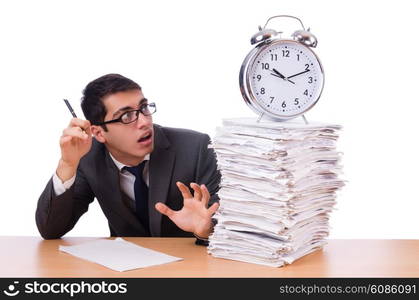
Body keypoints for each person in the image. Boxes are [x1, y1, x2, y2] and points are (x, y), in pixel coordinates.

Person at [36, 73, 220, 245]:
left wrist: (206, 230)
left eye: (144, 108)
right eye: (126, 116)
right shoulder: (88, 158)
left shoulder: (197, 148)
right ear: (98, 133)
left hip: (189, 268)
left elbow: (230, 228)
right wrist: (67, 164)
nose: (145, 122)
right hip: (124, 270)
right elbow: (51, 230)